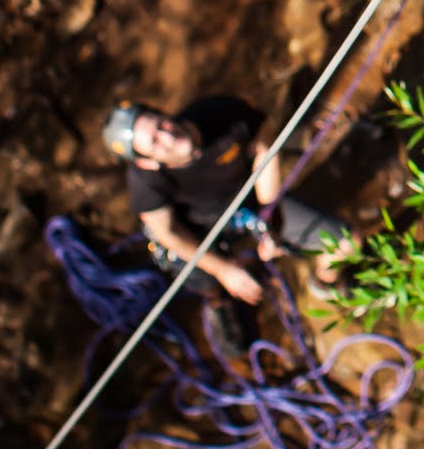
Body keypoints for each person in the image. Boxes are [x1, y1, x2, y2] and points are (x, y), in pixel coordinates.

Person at [100, 96, 358, 306]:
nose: (168, 136)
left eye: (161, 125)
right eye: (155, 141)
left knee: (347, 243)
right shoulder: (144, 180)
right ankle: (217, 302)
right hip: (198, 229)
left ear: (164, 112)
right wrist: (223, 270)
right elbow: (167, 232)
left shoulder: (221, 112)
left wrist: (271, 221)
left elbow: (264, 150)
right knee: (194, 271)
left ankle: (325, 285)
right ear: (146, 161)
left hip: (250, 206)